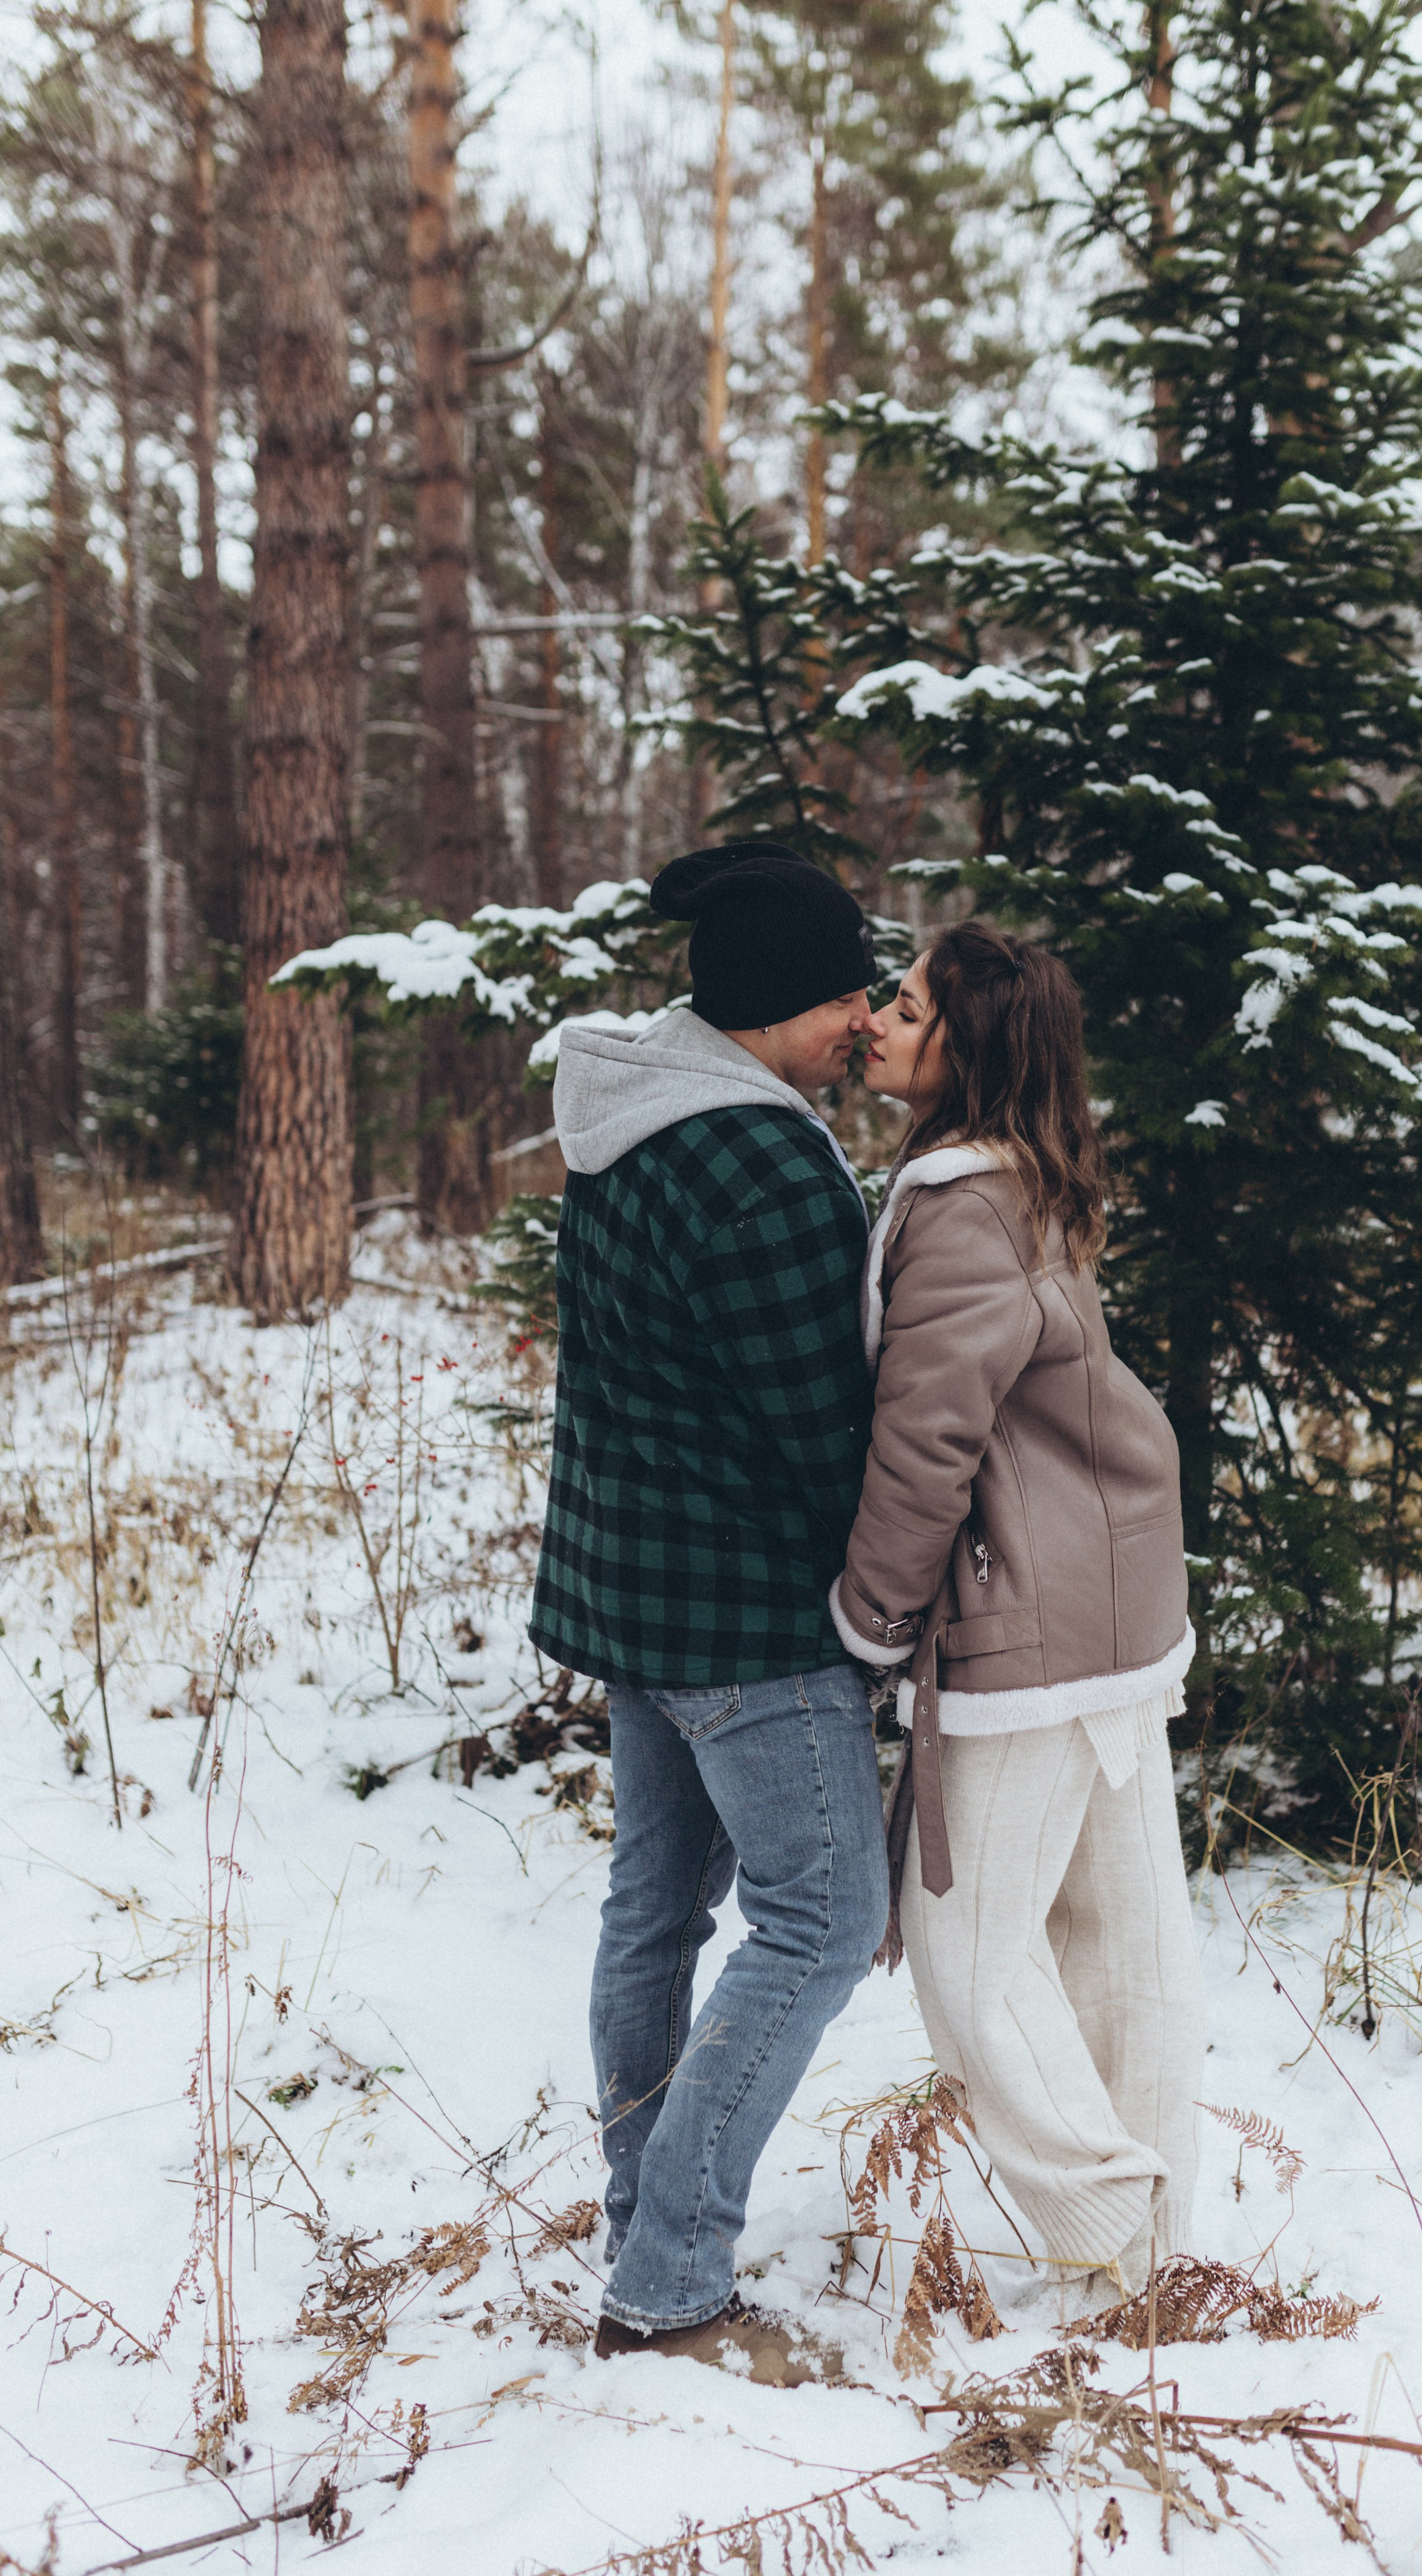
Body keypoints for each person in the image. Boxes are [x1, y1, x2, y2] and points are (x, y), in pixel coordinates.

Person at [530, 839, 889, 2381]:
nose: (867, 1022)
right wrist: (891, 1605)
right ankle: (670, 2273)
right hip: (747, 1620)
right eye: (847, 997)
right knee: (821, 1923)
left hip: (631, 1596)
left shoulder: (624, 1121)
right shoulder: (760, 1158)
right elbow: (828, 1430)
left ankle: (637, 2215)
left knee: (656, 1911)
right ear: (778, 1007)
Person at [828, 920, 1205, 2308]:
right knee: (1121, 1934)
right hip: (1104, 1602)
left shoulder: (960, 1208)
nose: (877, 1014)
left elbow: (929, 1436)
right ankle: (1154, 2272)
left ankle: (1109, 2213)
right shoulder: (1017, 1184)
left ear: (960, 1046)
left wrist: (870, 1612)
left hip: (1029, 1619)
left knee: (966, 1951)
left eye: (908, 1002)